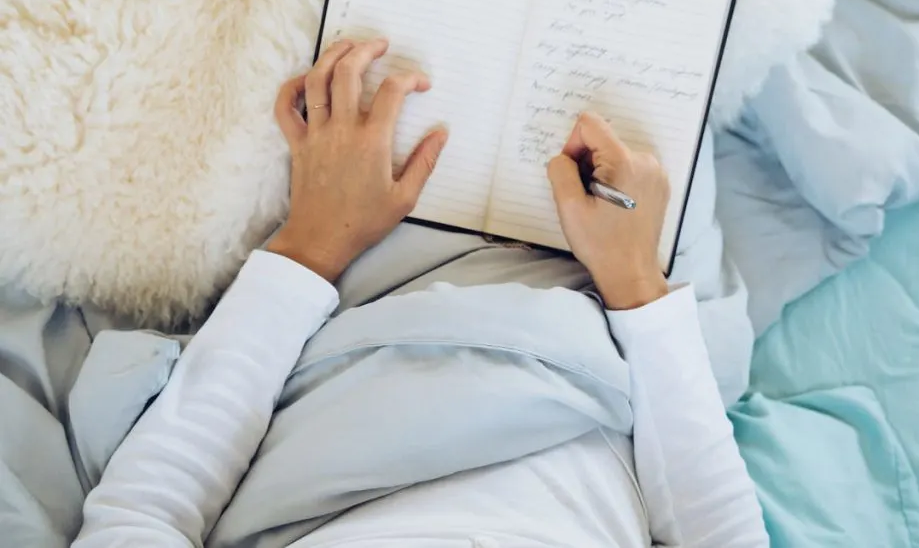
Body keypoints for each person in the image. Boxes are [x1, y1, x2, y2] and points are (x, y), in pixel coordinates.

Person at [71, 39, 768, 547]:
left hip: (345, 310)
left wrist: (311, 242)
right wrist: (637, 287)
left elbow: (144, 512)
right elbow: (715, 526)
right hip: (621, 350)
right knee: (662, 58)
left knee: (327, 67)